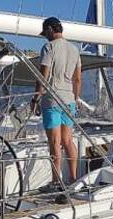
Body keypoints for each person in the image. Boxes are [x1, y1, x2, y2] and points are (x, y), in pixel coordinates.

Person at [32, 17, 82, 191]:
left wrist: (36, 98)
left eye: (45, 33)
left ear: (50, 29)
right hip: (69, 101)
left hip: (52, 100)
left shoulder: (49, 47)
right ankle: (73, 178)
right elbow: (77, 79)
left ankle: (55, 182)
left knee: (54, 141)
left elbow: (43, 76)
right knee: (68, 140)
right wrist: (75, 98)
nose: (45, 36)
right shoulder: (74, 49)